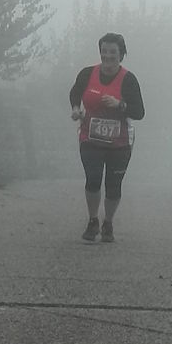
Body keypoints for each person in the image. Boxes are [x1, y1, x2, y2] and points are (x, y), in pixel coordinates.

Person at [69, 33, 145, 242]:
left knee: (113, 185)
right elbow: (75, 92)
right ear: (100, 52)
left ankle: (108, 222)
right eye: (104, 51)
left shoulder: (128, 79)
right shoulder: (87, 74)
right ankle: (93, 220)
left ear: (121, 54)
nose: (108, 56)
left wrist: (120, 104)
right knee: (93, 179)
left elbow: (139, 112)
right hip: (90, 138)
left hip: (119, 143)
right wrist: (76, 108)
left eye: (113, 52)